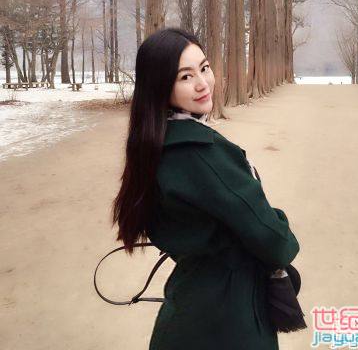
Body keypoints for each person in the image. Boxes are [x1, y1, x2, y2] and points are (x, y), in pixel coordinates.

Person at [112, 27, 300, 350]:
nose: (203, 83)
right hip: (229, 318)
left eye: (204, 68)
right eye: (185, 77)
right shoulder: (201, 154)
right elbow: (276, 242)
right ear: (160, 86)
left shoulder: (154, 145)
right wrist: (278, 221)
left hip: (188, 303)